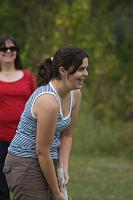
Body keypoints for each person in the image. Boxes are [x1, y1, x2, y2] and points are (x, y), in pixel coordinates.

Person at [4, 45, 88, 200]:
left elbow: (67, 135)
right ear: (63, 71)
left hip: (49, 159)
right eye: (81, 69)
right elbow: (42, 151)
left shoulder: (75, 95)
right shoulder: (48, 102)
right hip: (25, 162)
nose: (86, 74)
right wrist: (56, 193)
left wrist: (63, 168)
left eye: (86, 68)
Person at [0, 35, 36, 200]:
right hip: (1, 139)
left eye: (12, 48)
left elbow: (37, 102)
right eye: (3, 48)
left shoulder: (28, 76)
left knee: (24, 184)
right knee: (2, 186)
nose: (8, 51)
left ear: (17, 52)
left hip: (26, 138)